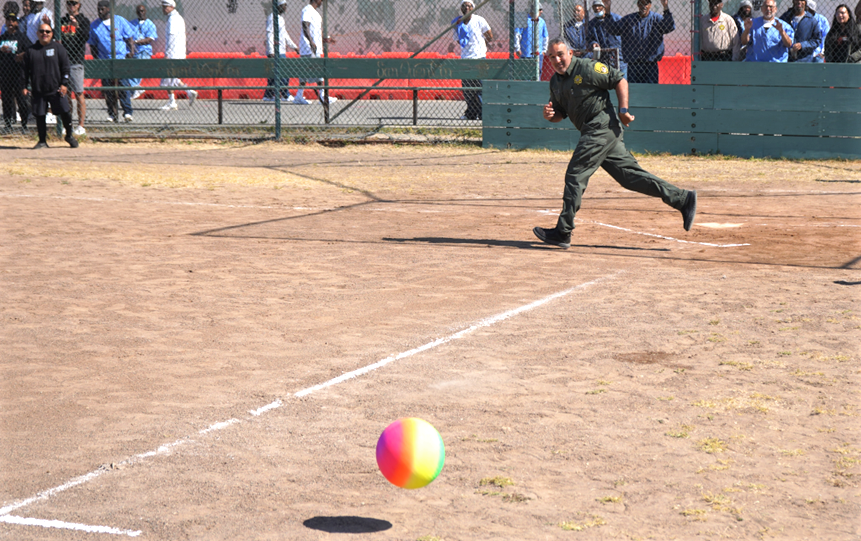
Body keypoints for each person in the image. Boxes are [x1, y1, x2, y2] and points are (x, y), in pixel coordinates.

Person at [533, 38, 696, 249]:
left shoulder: (587, 67)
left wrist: (624, 110)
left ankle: (563, 232)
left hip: (600, 126)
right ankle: (682, 199)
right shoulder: (555, 82)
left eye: (560, 54)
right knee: (630, 178)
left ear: (570, 53)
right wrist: (550, 115)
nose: (557, 60)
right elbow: (560, 114)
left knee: (575, 174)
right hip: (597, 132)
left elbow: (619, 79)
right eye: (552, 57)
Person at [22, 23, 77, 148]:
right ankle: (42, 141)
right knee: (40, 114)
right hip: (38, 90)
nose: (44, 34)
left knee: (65, 112)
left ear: (52, 33)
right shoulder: (31, 51)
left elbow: (66, 68)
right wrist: (24, 86)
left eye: (47, 31)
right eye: (41, 31)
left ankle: (69, 135)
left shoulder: (58, 48)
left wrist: (64, 84)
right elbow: (24, 71)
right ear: (37, 33)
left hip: (56, 89)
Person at [604, 0, 675, 83]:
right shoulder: (629, 19)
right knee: (634, 91)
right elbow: (614, 29)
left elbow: (669, 26)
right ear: (638, 4)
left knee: (650, 90)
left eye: (646, 3)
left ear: (650, 5)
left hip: (650, 65)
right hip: (633, 64)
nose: (643, 6)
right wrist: (607, 11)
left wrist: (665, 7)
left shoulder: (656, 19)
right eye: (641, 3)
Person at [88, 0, 135, 122]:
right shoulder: (94, 26)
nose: (100, 11)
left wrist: (131, 51)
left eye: (102, 9)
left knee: (122, 86)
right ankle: (112, 113)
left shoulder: (119, 20)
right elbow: (93, 45)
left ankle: (127, 112)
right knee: (108, 89)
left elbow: (129, 38)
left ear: (109, 9)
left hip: (119, 59)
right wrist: (97, 59)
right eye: (98, 9)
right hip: (105, 61)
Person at [452, 0, 492, 120]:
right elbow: (458, 40)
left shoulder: (479, 20)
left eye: (469, 5)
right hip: (465, 59)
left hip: (479, 58)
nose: (467, 8)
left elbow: (490, 36)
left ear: (473, 7)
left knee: (480, 87)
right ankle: (471, 114)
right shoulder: (458, 23)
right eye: (464, 5)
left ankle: (483, 113)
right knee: (468, 89)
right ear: (461, 8)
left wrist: (480, 45)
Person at [296, 0, 336, 105]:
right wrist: (311, 42)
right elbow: (305, 26)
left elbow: (316, 31)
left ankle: (299, 96)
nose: (321, 1)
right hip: (308, 48)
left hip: (315, 47)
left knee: (305, 73)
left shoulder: (316, 13)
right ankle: (322, 96)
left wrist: (325, 39)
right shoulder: (307, 10)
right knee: (317, 71)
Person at [160, 0, 197, 110]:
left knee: (168, 78)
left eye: (165, 7)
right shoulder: (178, 18)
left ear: (171, 7)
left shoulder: (173, 19)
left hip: (173, 54)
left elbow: (171, 38)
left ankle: (172, 102)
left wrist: (167, 54)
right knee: (173, 78)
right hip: (179, 53)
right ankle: (189, 92)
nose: (163, 9)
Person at [59, 0, 88, 136]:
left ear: (79, 5)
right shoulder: (62, 20)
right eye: (69, 3)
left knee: (78, 93)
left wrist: (77, 26)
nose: (71, 6)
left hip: (76, 61)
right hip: (63, 62)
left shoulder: (83, 20)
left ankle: (81, 126)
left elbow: (85, 37)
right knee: (65, 94)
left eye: (74, 3)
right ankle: (68, 124)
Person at [0, 5, 30, 133]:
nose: (10, 22)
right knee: (6, 100)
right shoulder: (2, 37)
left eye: (13, 20)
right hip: (5, 74)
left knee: (21, 100)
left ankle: (24, 125)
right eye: (8, 20)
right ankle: (8, 124)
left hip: (18, 74)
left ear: (16, 22)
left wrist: (22, 55)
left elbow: (30, 50)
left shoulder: (21, 37)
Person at [265, 0, 299, 102]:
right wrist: (271, 50)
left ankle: (268, 96)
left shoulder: (280, 19)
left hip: (281, 50)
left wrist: (294, 47)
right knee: (284, 73)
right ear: (279, 6)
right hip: (276, 52)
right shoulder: (272, 17)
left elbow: (284, 35)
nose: (285, 7)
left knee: (273, 76)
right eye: (284, 5)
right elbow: (269, 33)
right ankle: (285, 95)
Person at [587, 0, 627, 77]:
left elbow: (625, 36)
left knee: (621, 82)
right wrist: (593, 43)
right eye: (594, 6)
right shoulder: (592, 24)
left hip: (619, 59)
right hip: (603, 60)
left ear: (605, 6)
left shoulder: (616, 19)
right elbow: (589, 39)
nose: (597, 8)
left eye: (599, 5)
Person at [129, 4, 156, 99]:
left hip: (144, 51)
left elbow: (149, 39)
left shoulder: (150, 24)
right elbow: (128, 36)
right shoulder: (132, 23)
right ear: (136, 13)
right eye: (139, 11)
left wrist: (136, 41)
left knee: (137, 70)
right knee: (129, 71)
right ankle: (136, 88)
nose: (141, 13)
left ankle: (136, 88)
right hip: (134, 51)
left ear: (145, 11)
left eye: (143, 11)